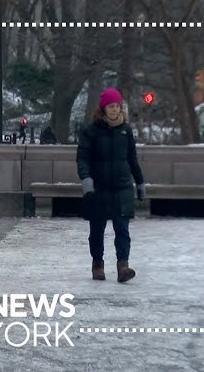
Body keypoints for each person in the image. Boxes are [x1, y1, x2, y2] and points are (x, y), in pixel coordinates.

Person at [76, 87, 145, 283]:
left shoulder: (126, 131)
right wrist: (87, 180)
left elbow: (132, 159)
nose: (115, 110)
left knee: (122, 230)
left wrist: (139, 182)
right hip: (98, 189)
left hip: (122, 188)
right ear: (103, 108)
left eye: (117, 106)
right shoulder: (91, 132)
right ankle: (97, 264)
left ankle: (123, 266)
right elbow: (82, 158)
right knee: (96, 231)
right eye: (111, 106)